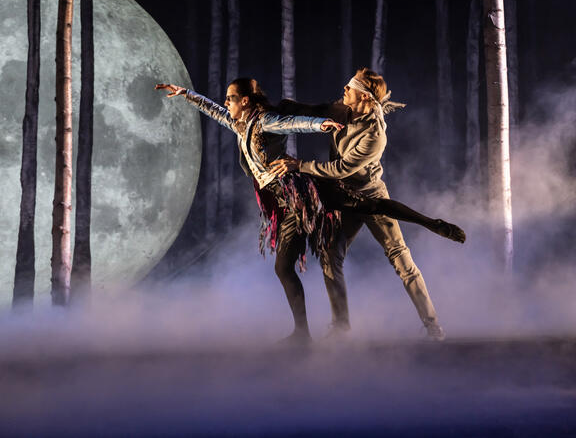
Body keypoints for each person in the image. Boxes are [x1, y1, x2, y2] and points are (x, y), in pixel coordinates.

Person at [269, 68, 458, 341]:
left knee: (400, 258)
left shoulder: (375, 135)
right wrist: (290, 107)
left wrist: (299, 166)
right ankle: (341, 326)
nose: (344, 90)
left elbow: (341, 168)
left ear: (365, 98)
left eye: (350, 88)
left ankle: (432, 325)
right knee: (330, 255)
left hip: (370, 198)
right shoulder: (344, 109)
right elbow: (321, 109)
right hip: (345, 199)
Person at [156, 78, 343, 345]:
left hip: (293, 199)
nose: (226, 102)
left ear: (245, 101)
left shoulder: (264, 120)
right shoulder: (241, 124)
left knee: (284, 267)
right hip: (278, 201)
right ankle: (307, 331)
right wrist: (186, 94)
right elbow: (214, 110)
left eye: (230, 98)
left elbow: (291, 124)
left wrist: (318, 125)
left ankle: (307, 333)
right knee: (284, 268)